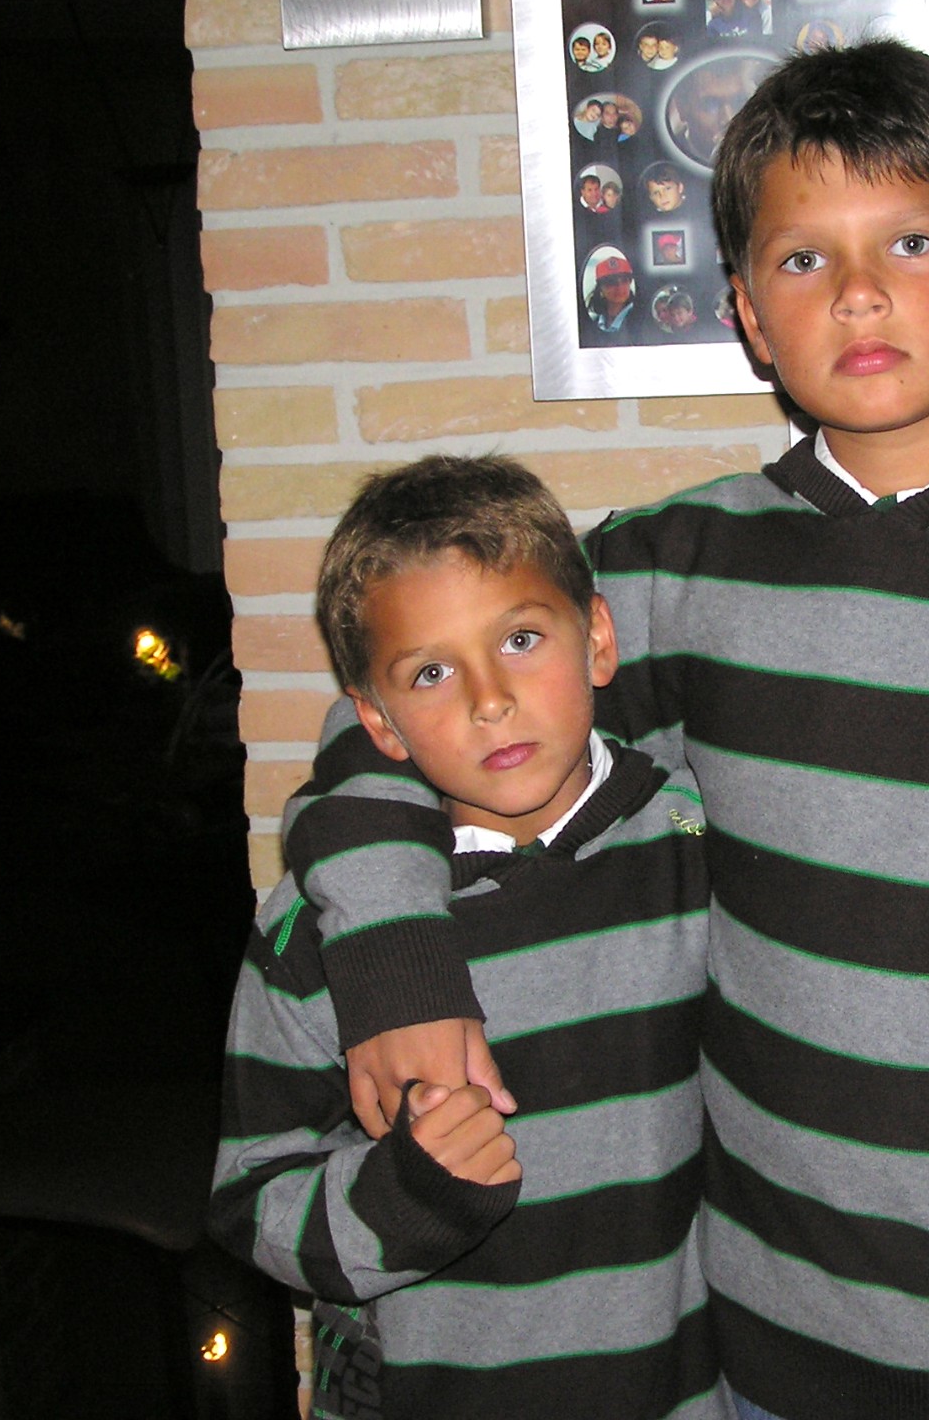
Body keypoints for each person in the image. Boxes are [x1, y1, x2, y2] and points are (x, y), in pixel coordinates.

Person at [336, 37, 929, 1420]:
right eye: (801, 259)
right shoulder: (676, 569)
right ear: (747, 315)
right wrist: (396, 963)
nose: (857, 292)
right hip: (752, 1356)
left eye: (910, 240)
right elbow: (398, 709)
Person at [208, 456, 724, 1420]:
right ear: (378, 721)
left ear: (597, 639)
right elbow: (252, 1200)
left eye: (522, 639)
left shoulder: (697, 842)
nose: (489, 699)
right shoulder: (319, 930)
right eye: (432, 673)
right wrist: (407, 1199)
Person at [587, 253, 635, 331]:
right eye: (611, 282)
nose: (620, 287)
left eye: (624, 280)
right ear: (600, 288)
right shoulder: (593, 323)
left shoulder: (640, 318)